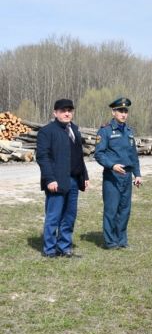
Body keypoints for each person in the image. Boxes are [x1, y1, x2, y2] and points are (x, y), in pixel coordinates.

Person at [35, 99, 90, 258]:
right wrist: (50, 179)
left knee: (69, 216)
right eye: (63, 110)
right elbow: (42, 157)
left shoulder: (74, 129)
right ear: (55, 113)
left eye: (69, 110)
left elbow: (78, 156)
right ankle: (50, 250)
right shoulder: (47, 131)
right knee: (54, 216)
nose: (67, 113)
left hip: (74, 180)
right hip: (56, 181)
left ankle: (64, 247)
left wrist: (84, 176)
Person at [94, 97, 142, 249]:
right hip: (112, 176)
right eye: (120, 111)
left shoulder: (129, 132)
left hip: (126, 176)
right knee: (111, 209)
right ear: (113, 112)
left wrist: (137, 174)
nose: (123, 114)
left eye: (125, 111)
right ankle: (110, 241)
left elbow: (133, 156)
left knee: (124, 209)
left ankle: (121, 240)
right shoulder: (105, 130)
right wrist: (112, 165)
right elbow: (99, 154)